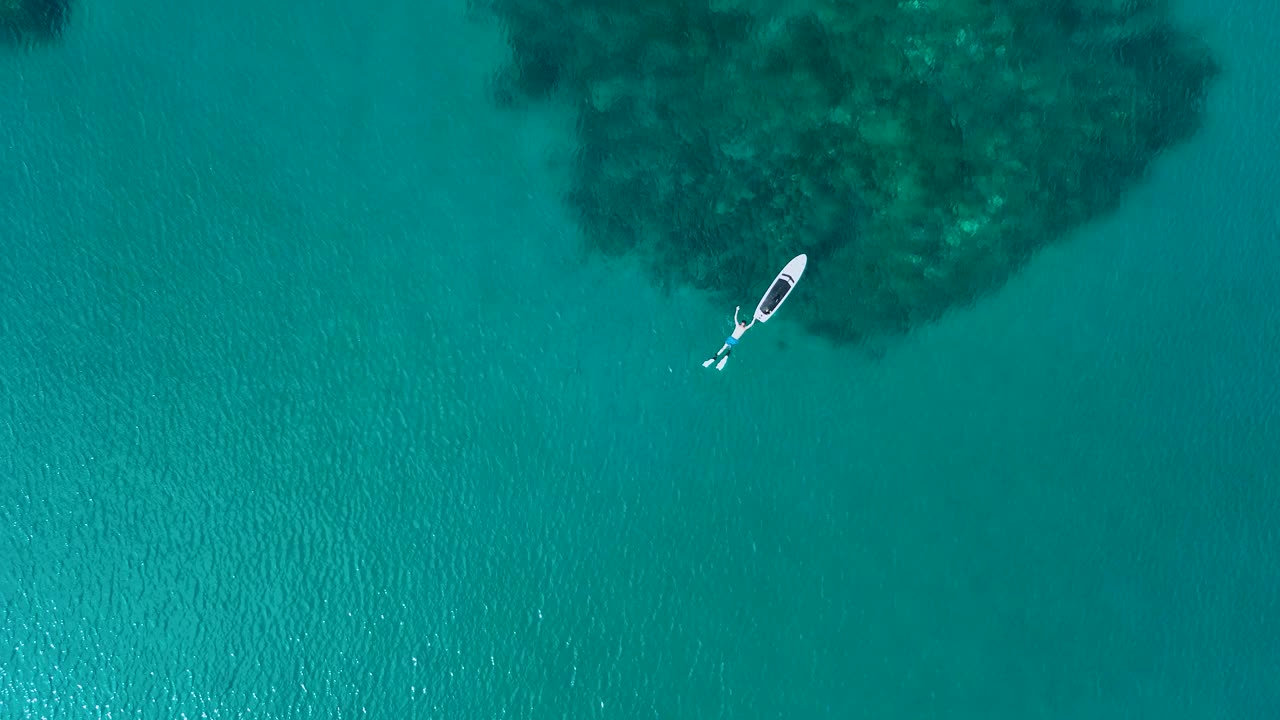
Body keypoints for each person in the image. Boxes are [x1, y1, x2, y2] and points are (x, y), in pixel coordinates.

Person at [703, 305, 755, 370]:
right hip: (733, 339)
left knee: (727, 348)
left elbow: (751, 324)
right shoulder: (738, 326)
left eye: (743, 323)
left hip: (734, 340)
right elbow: (735, 318)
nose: (742, 324)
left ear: (744, 324)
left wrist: (754, 318)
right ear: (742, 323)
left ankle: (721, 356)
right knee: (725, 347)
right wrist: (737, 310)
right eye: (742, 323)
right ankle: (716, 356)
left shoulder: (744, 328)